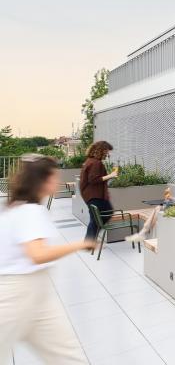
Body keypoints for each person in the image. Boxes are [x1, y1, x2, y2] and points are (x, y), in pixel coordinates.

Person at [0, 155, 94, 364]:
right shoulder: (29, 212)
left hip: (36, 292)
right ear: (42, 181)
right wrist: (79, 244)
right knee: (66, 354)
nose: (58, 182)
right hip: (16, 293)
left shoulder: (20, 208)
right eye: (54, 178)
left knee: (66, 354)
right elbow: (38, 255)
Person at [126, 168, 175, 242]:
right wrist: (170, 199)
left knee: (158, 209)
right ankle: (144, 232)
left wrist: (172, 198)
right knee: (158, 208)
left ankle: (143, 233)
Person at [79, 141, 118, 241]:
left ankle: (90, 241)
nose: (108, 154)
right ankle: (89, 242)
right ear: (101, 151)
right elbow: (93, 180)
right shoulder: (96, 163)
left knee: (96, 220)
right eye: (107, 151)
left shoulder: (90, 161)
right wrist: (111, 175)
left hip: (91, 196)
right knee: (101, 217)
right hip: (95, 196)